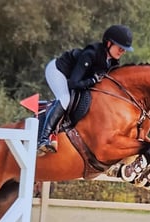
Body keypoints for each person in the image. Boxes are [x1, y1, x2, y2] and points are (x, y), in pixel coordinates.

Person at [37, 24, 134, 156]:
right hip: (58, 71)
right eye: (120, 48)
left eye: (124, 50)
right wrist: (92, 81)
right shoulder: (90, 54)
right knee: (65, 98)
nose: (122, 52)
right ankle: (43, 139)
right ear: (109, 43)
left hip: (74, 78)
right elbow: (73, 83)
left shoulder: (112, 62)